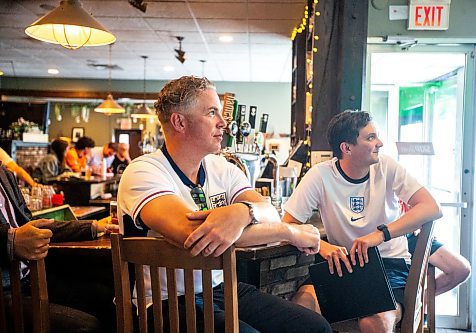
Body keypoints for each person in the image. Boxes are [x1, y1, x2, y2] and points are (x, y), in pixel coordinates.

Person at [118, 76, 331, 333]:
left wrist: (242, 212)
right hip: (163, 303)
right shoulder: (143, 171)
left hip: (219, 289)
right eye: (211, 112)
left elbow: (268, 212)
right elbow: (196, 236)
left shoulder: (221, 168)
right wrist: (289, 231)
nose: (223, 122)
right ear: (179, 121)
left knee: (314, 327)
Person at [282, 110, 443, 333]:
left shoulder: (387, 167)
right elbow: (288, 224)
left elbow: (431, 207)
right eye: (370, 138)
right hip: (342, 266)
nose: (380, 143)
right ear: (346, 148)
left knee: (373, 323)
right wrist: (324, 247)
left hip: (389, 265)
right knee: (300, 311)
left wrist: (380, 235)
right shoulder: (320, 175)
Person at [0, 162, 118, 332]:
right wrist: (10, 240)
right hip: (7, 291)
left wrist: (93, 227)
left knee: (108, 298)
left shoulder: (5, 174)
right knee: (86, 327)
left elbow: (34, 227)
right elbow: (16, 235)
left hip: (32, 278)